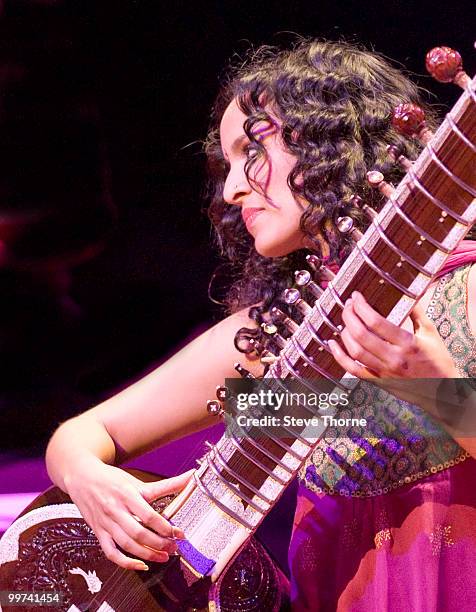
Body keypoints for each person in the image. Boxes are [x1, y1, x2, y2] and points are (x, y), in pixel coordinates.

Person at [46, 39, 476, 609]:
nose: (231, 189)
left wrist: (439, 389)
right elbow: (80, 437)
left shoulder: (467, 290)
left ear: (328, 138)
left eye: (251, 149)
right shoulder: (270, 342)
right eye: (225, 166)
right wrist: (92, 483)